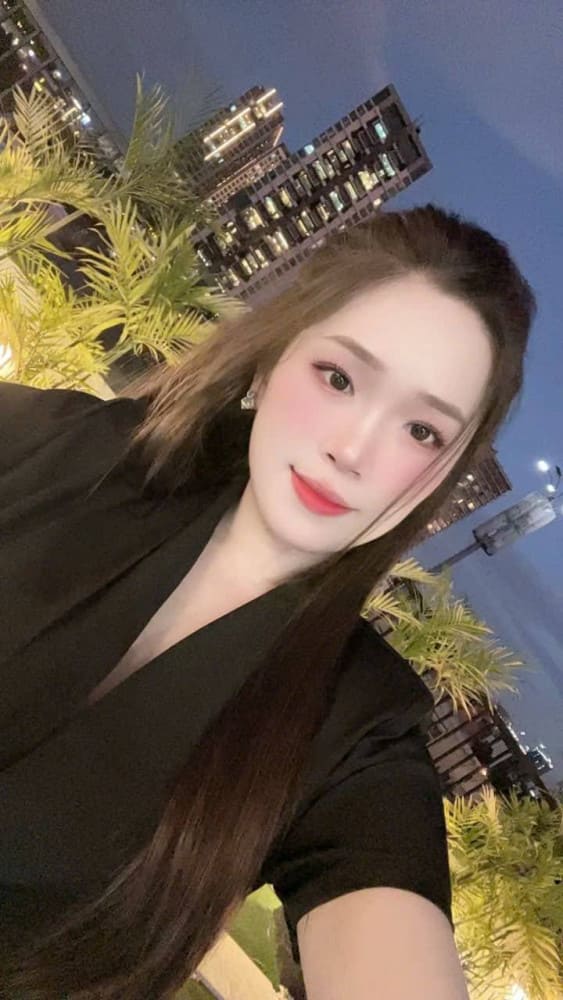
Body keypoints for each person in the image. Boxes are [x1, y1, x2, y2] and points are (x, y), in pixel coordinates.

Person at [0, 205, 534, 999]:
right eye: (339, 378)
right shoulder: (60, 448)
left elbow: (384, 918)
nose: (352, 450)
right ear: (270, 362)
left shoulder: (355, 726)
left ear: (441, 477)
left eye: (421, 431)